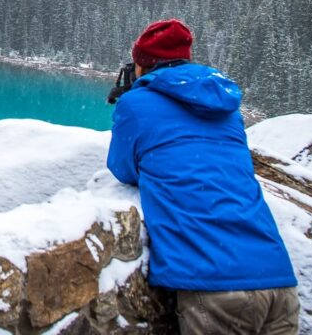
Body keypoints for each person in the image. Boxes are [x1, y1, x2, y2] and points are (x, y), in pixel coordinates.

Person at [107, 19, 300, 335]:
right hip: (277, 280)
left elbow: (123, 168)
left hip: (215, 284)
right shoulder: (224, 102)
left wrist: (133, 100)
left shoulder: (137, 104)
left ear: (142, 64)